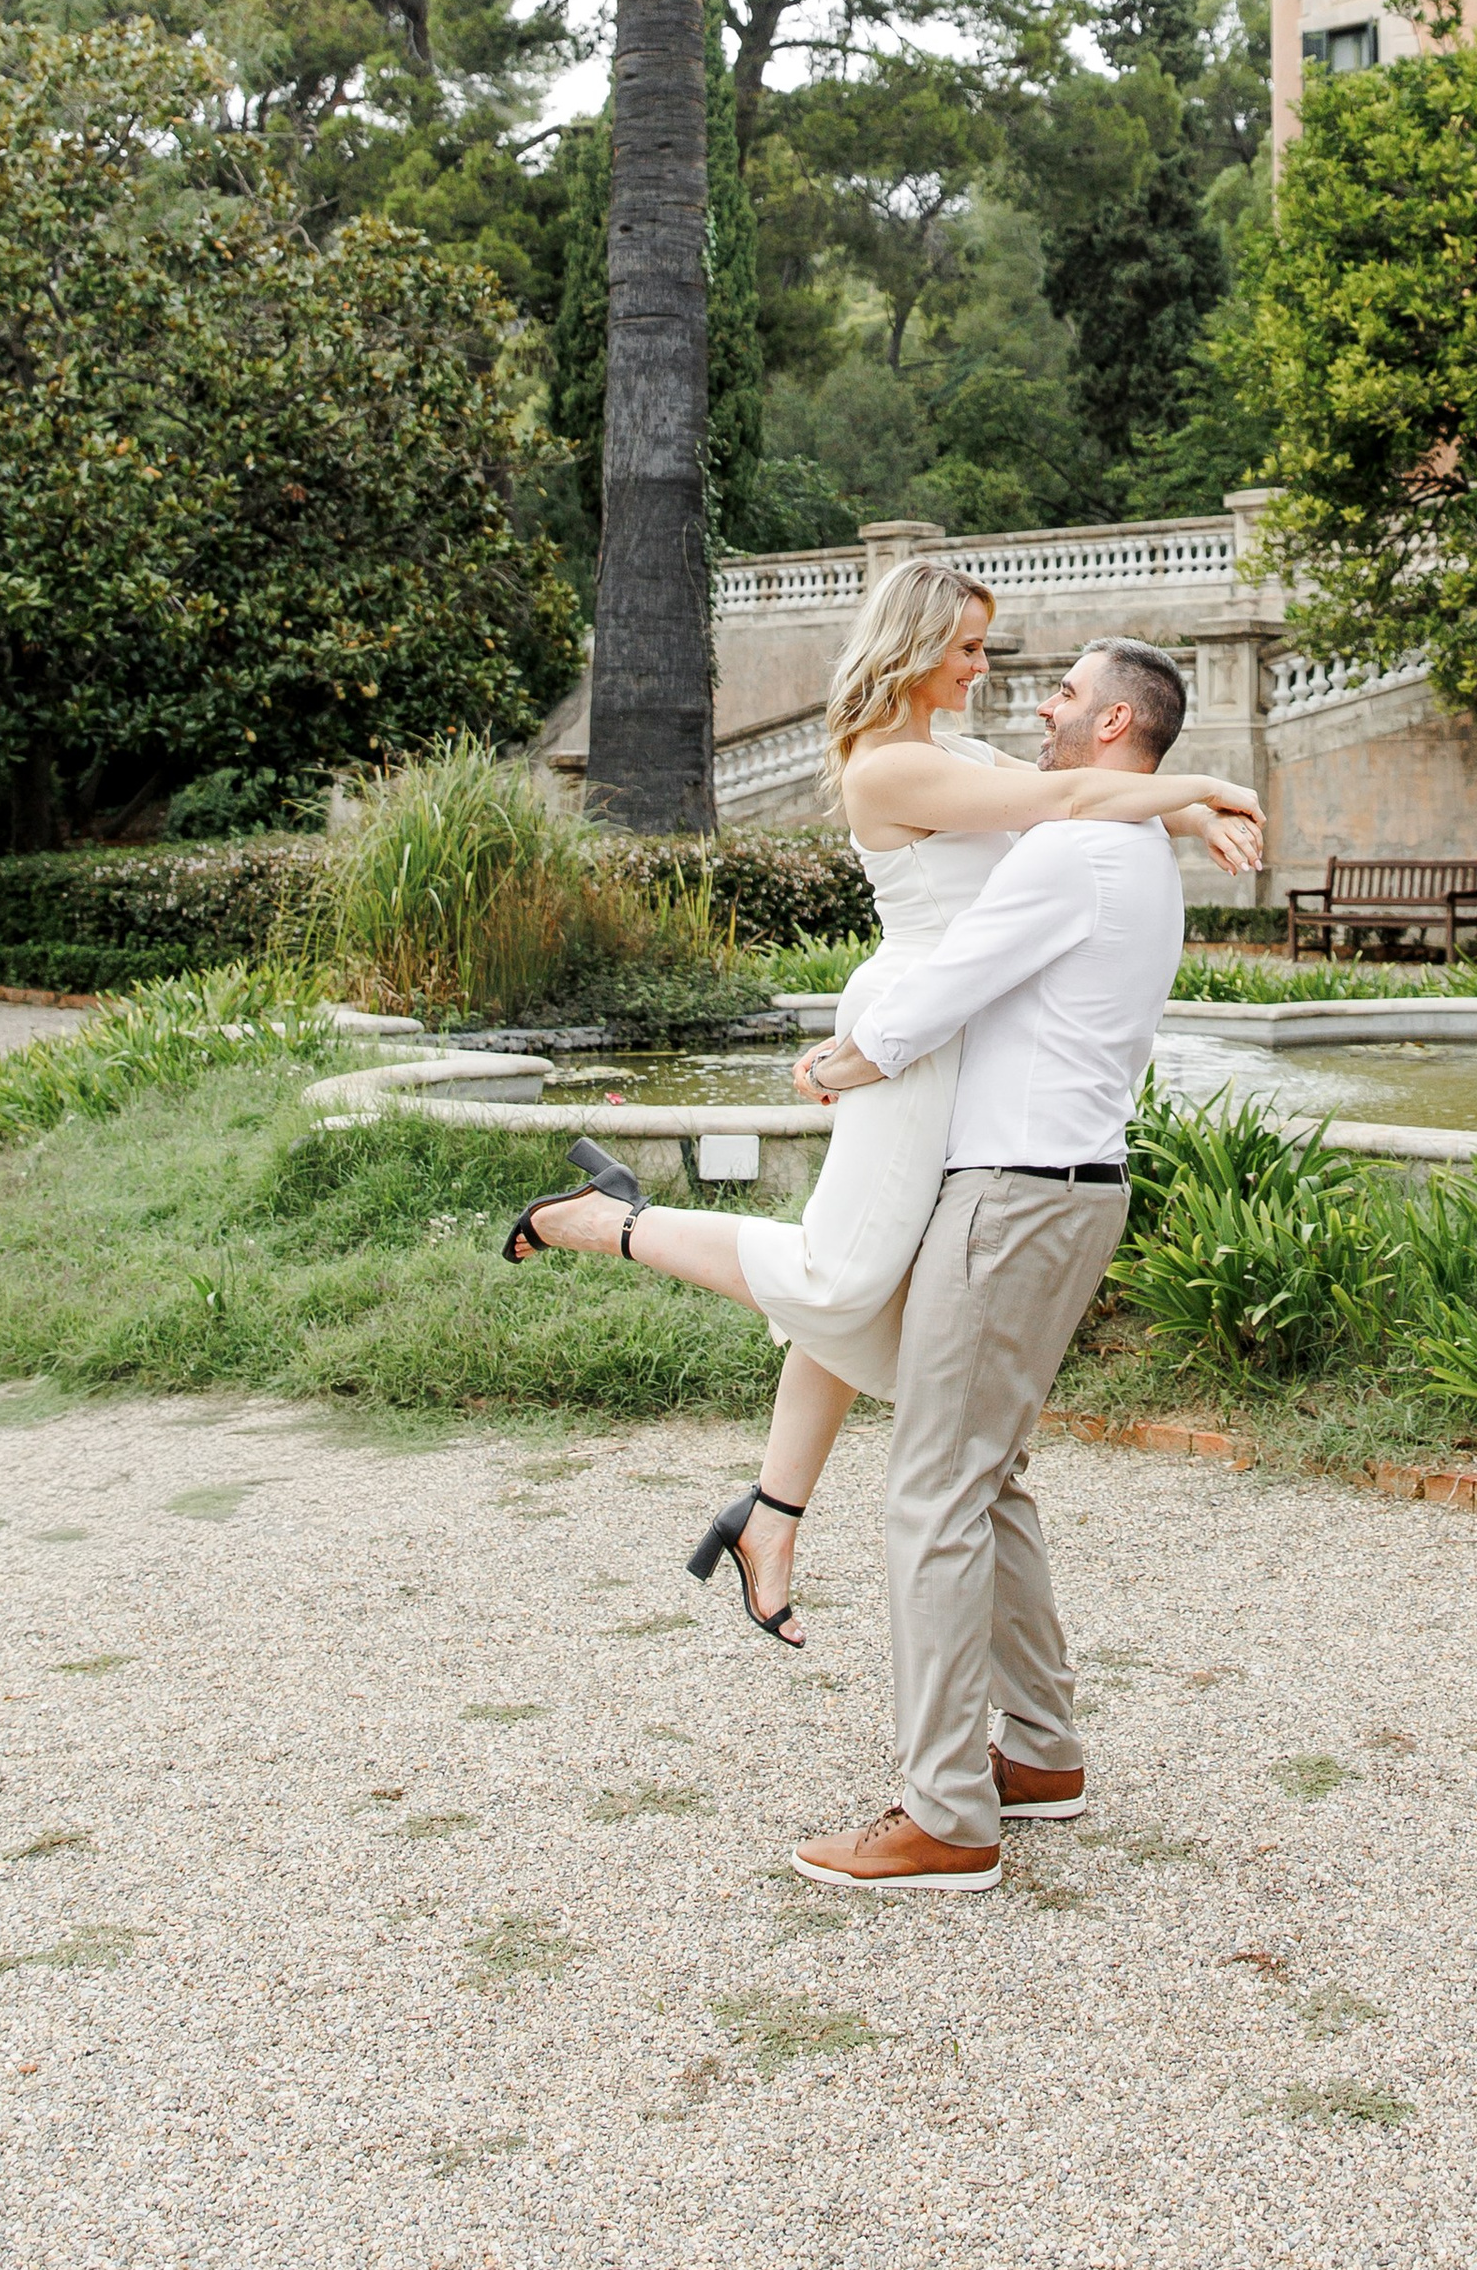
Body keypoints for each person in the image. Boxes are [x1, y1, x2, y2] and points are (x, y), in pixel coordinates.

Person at [502, 561, 1262, 1645]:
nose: (984, 668)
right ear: (912, 650)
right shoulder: (888, 770)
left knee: (867, 1277)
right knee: (844, 1274)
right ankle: (603, 1221)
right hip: (910, 1029)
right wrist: (1208, 795)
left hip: (957, 1036)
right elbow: (1066, 795)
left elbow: (1084, 796)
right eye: (967, 649)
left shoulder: (952, 750)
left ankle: (771, 1513)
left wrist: (1192, 816)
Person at [789, 633, 1194, 1891]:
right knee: (988, 1476)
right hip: (1068, 1188)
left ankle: (946, 1814)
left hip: (1014, 1197)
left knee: (933, 1496)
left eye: (1069, 692)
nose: (1044, 704)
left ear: (1116, 726)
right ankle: (1044, 1756)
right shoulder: (1124, 841)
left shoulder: (1073, 849)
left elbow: (937, 993)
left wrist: (837, 1060)